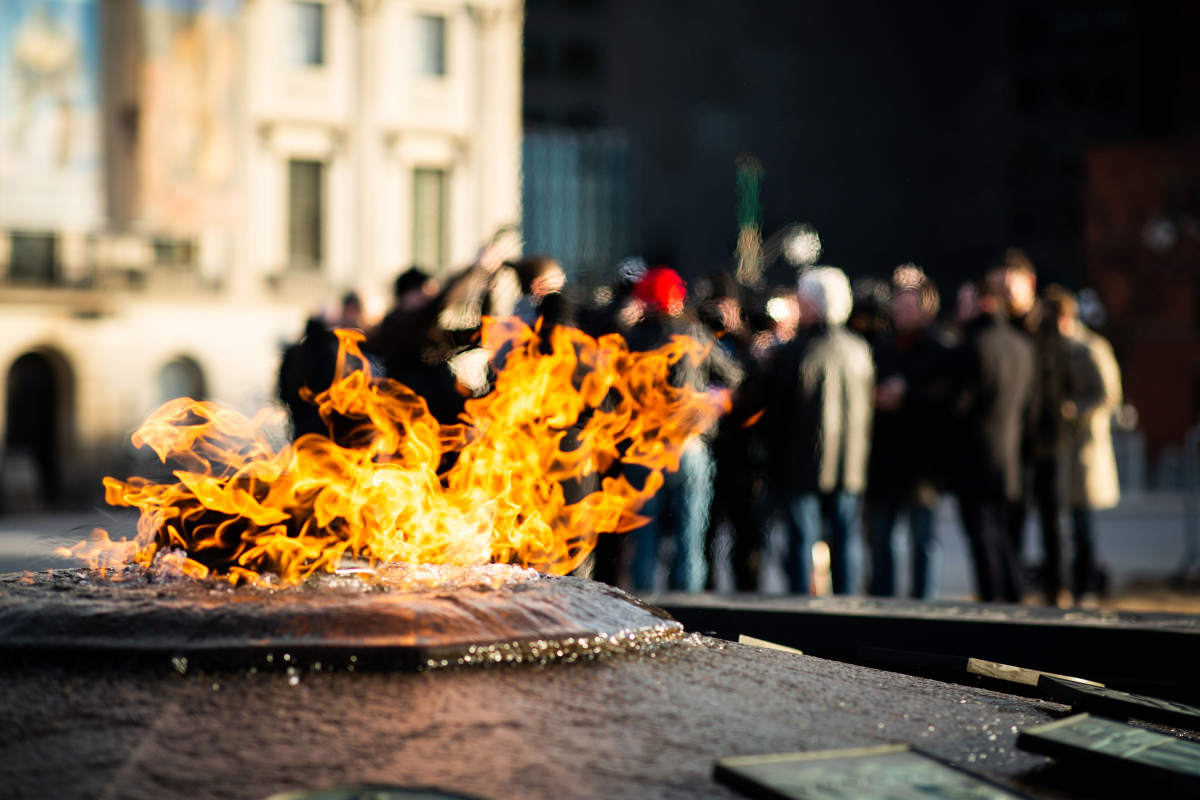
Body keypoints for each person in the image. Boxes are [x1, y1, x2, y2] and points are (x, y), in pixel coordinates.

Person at [620, 266, 744, 593]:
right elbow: (734, 376)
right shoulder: (694, 335)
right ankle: (690, 618)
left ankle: (643, 617)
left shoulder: (631, 340)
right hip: (689, 445)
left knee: (645, 538)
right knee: (690, 538)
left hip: (644, 448)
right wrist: (711, 403)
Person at [765, 267, 874, 595]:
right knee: (846, 540)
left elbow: (777, 412)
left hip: (802, 462)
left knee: (802, 540)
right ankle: (848, 609)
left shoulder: (797, 352)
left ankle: (800, 612)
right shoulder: (860, 349)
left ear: (812, 303)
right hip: (850, 463)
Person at [866, 266, 952, 599]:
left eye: (908, 307)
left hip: (922, 466)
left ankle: (923, 608)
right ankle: (882, 604)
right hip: (885, 462)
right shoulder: (883, 349)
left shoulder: (940, 351)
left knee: (923, 542)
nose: (899, 314)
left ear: (926, 309)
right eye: (897, 307)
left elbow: (946, 403)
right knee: (881, 541)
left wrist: (907, 397)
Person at [951, 279, 1035, 602]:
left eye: (964, 301)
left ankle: (993, 606)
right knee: (1004, 541)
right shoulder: (1022, 345)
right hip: (1010, 459)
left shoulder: (974, 345)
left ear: (983, 304)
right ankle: (1014, 601)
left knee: (984, 542)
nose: (958, 309)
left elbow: (958, 405)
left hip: (975, 459)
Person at [998, 250, 1070, 604]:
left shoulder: (1047, 325)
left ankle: (1058, 589)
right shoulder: (1004, 327)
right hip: (1016, 442)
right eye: (1003, 288)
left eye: (1014, 286)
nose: (1008, 295)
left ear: (1030, 285)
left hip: (1048, 439)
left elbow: (1058, 381)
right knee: (1013, 522)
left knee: (1052, 523)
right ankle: (1013, 592)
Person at [1045, 286, 1122, 606]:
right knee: (1062, 522)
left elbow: (1109, 394)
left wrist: (1076, 409)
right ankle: (1067, 583)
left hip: (1086, 448)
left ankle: (1087, 586)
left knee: (1082, 521)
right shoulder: (1054, 348)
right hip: (1062, 446)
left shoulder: (1091, 347)